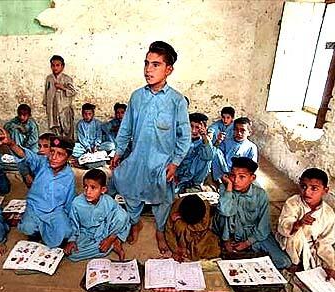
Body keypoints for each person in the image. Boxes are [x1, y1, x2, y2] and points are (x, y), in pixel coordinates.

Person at [110, 41, 191, 253]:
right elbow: (126, 127)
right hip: (137, 158)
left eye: (155, 64)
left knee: (163, 198)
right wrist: (119, 152)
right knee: (131, 191)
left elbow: (184, 136)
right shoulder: (137, 97)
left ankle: (160, 230)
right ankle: (135, 222)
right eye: (146, 63)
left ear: (169, 69)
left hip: (162, 162)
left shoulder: (177, 101)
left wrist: (175, 163)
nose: (148, 70)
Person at [0, 128, 75, 248]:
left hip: (55, 211)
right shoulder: (42, 163)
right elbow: (26, 155)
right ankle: (36, 230)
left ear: (68, 158)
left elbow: (69, 201)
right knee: (28, 228)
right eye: (52, 152)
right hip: (35, 207)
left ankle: (44, 230)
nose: (54, 157)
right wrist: (11, 143)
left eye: (60, 154)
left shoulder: (69, 175)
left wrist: (70, 229)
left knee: (65, 232)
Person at [213, 157, 291, 269]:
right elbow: (225, 212)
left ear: (252, 178)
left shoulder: (260, 194)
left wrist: (247, 243)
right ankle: (228, 245)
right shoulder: (225, 188)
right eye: (233, 175)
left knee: (283, 262)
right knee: (226, 212)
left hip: (252, 234)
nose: (235, 180)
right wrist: (226, 241)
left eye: (242, 177)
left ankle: (250, 255)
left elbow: (264, 225)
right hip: (228, 233)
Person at [276, 168, 335, 280]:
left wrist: (331, 265)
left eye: (314, 188)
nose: (307, 192)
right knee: (295, 235)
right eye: (303, 186)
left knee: (326, 268)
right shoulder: (293, 202)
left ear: (325, 190)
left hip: (312, 247)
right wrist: (298, 224)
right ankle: (295, 263)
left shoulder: (328, 213)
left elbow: (326, 242)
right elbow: (283, 225)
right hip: (290, 243)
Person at [64, 168, 130, 261]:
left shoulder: (108, 201)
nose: (88, 192)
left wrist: (110, 238)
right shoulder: (77, 203)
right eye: (85, 187)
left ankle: (112, 240)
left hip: (107, 229)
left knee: (123, 217)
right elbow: (74, 224)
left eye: (93, 187)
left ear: (103, 190)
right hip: (87, 232)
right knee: (73, 254)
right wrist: (72, 240)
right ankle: (115, 243)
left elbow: (120, 216)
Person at [165, 194, 221, 262]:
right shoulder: (176, 207)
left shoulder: (205, 207)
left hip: (200, 233)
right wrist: (175, 250)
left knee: (208, 248)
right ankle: (184, 248)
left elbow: (203, 226)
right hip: (183, 233)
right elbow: (169, 230)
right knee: (180, 226)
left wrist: (190, 228)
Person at [176, 113, 213, 193]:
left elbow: (209, 156)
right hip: (179, 174)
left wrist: (204, 136)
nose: (193, 130)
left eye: (197, 128)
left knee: (207, 155)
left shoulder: (204, 141)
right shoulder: (182, 139)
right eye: (191, 126)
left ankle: (196, 185)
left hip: (194, 175)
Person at [211, 117, 258, 181]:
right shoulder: (226, 141)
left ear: (249, 132)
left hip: (239, 173)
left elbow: (252, 167)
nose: (239, 133)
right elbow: (215, 154)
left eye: (242, 130)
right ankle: (220, 180)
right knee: (215, 151)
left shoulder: (251, 147)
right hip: (224, 170)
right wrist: (218, 141)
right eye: (236, 129)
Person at [4, 104, 39, 187]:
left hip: (30, 147)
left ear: (29, 115)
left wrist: (25, 147)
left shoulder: (32, 123)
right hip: (18, 146)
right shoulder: (15, 121)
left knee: (33, 159)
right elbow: (6, 126)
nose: (22, 117)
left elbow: (34, 139)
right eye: (20, 115)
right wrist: (17, 127)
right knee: (15, 132)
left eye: (24, 115)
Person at [43, 55, 77, 139]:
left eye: (58, 65)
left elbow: (73, 92)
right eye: (53, 65)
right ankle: (57, 149)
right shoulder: (49, 78)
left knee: (67, 130)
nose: (55, 68)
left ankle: (67, 149)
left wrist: (63, 88)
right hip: (53, 109)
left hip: (64, 109)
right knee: (56, 131)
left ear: (62, 66)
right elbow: (46, 91)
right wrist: (46, 104)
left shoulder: (67, 79)